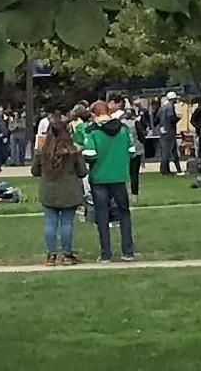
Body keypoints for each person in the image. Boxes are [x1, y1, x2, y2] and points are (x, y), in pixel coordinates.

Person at [78, 98, 138, 261]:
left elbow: (91, 155)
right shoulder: (124, 129)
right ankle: (128, 251)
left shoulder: (91, 132)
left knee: (102, 216)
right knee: (124, 213)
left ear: (93, 114)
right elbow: (132, 152)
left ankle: (106, 253)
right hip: (119, 176)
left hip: (99, 177)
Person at [33, 117, 87, 264]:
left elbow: (34, 171)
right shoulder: (73, 151)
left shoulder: (42, 151)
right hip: (69, 191)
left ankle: (51, 255)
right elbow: (82, 172)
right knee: (67, 223)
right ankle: (67, 255)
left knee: (50, 223)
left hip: (48, 191)